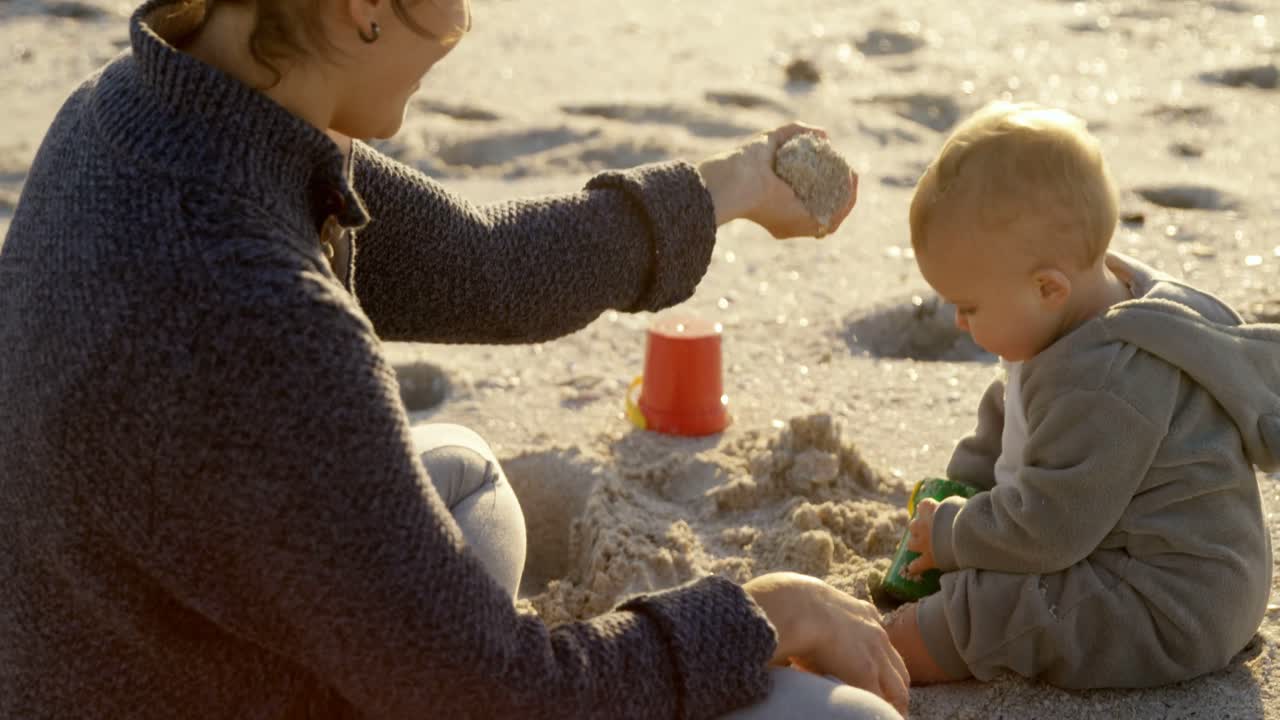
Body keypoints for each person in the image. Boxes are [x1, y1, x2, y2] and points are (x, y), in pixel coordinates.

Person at [0, 0, 910, 718]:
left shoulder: (140, 107)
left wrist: (733, 184)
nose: (462, 27)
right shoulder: (263, 311)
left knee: (466, 473)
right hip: (195, 690)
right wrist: (766, 612)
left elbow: (485, 268)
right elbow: (511, 699)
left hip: (112, 647)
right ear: (364, 6)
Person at [882, 101, 1279, 688]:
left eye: (969, 307)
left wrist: (957, 534)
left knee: (1005, 610)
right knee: (996, 568)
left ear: (1048, 287)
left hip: (1171, 604)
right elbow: (1012, 414)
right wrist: (963, 491)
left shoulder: (1104, 381)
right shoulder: (1078, 309)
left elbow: (1049, 528)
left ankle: (898, 650)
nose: (959, 323)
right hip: (1179, 572)